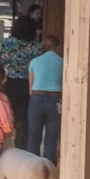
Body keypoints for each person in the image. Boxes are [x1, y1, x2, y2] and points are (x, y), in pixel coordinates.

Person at [0, 16, 41, 143]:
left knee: (2, 115)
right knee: (22, 120)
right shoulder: (37, 47)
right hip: (28, 84)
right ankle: (21, 149)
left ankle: (1, 144)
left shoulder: (4, 44)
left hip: (6, 83)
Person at [26, 35, 63, 163]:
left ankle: (32, 167)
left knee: (34, 137)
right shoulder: (63, 62)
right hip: (56, 98)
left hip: (37, 96)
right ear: (57, 48)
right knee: (51, 139)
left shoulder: (34, 62)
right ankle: (50, 170)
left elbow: (30, 88)